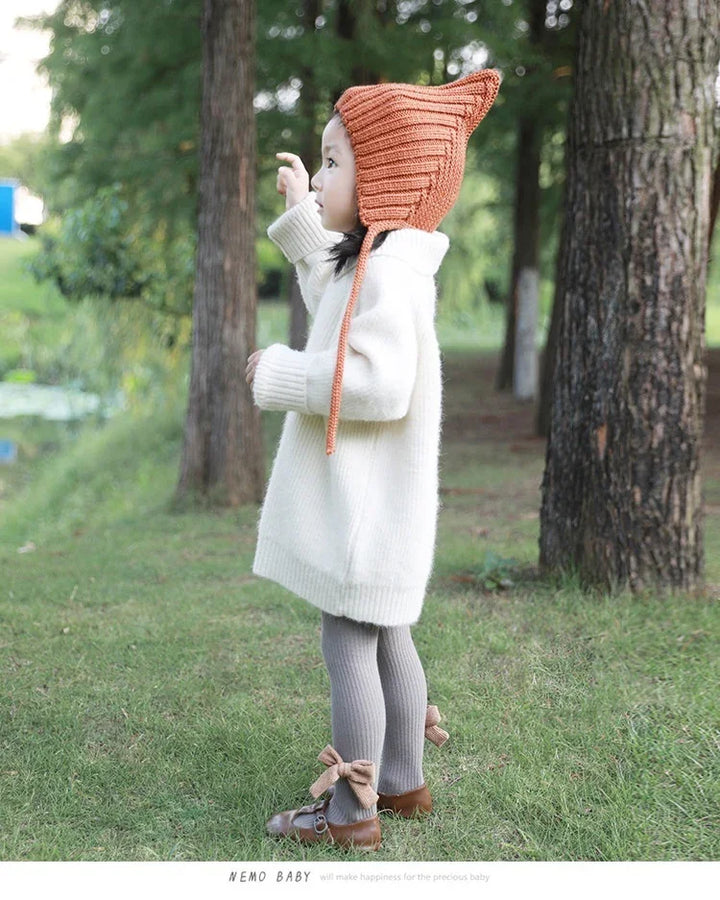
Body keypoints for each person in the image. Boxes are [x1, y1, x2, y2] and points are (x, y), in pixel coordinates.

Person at [246, 68, 501, 851]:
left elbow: (378, 385)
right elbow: (331, 285)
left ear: (384, 179)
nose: (321, 175)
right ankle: (403, 780)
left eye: (333, 162)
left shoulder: (390, 274)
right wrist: (301, 215)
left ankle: (353, 811)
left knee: (348, 639)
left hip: (364, 509)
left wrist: (282, 374)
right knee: (389, 634)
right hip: (378, 504)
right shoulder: (379, 261)